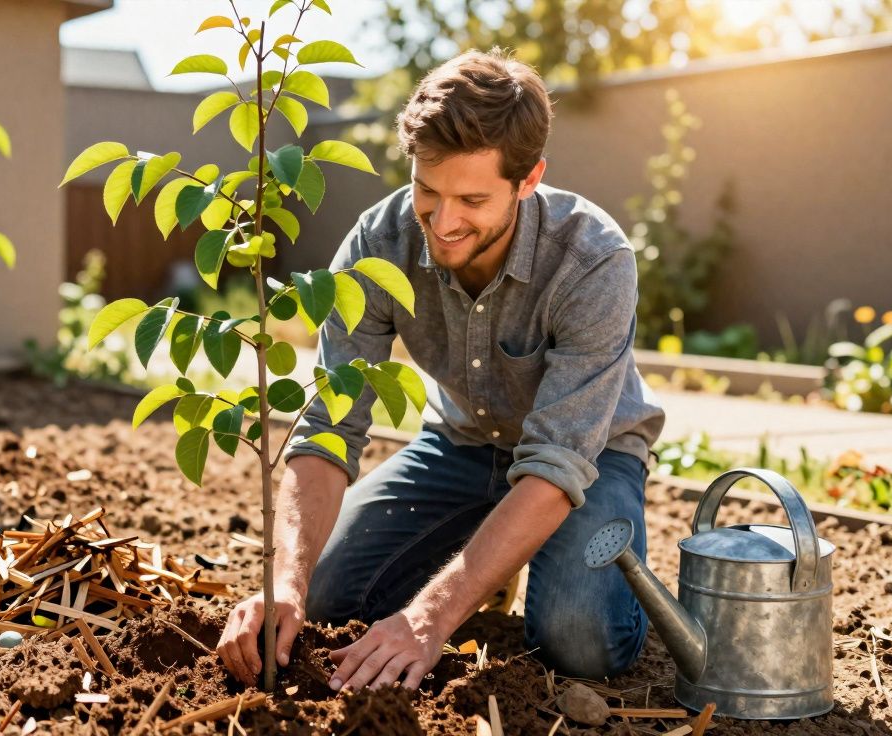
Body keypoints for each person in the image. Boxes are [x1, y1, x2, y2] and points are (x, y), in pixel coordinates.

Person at [216, 47, 666, 692]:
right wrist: (285, 580)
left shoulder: (592, 260)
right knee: (325, 597)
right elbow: (328, 427)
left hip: (590, 459)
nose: (444, 221)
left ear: (529, 179)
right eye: (427, 190)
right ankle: (489, 555)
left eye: (473, 199)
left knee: (581, 641)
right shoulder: (378, 246)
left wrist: (429, 618)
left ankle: (537, 561)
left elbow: (558, 462)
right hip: (459, 444)